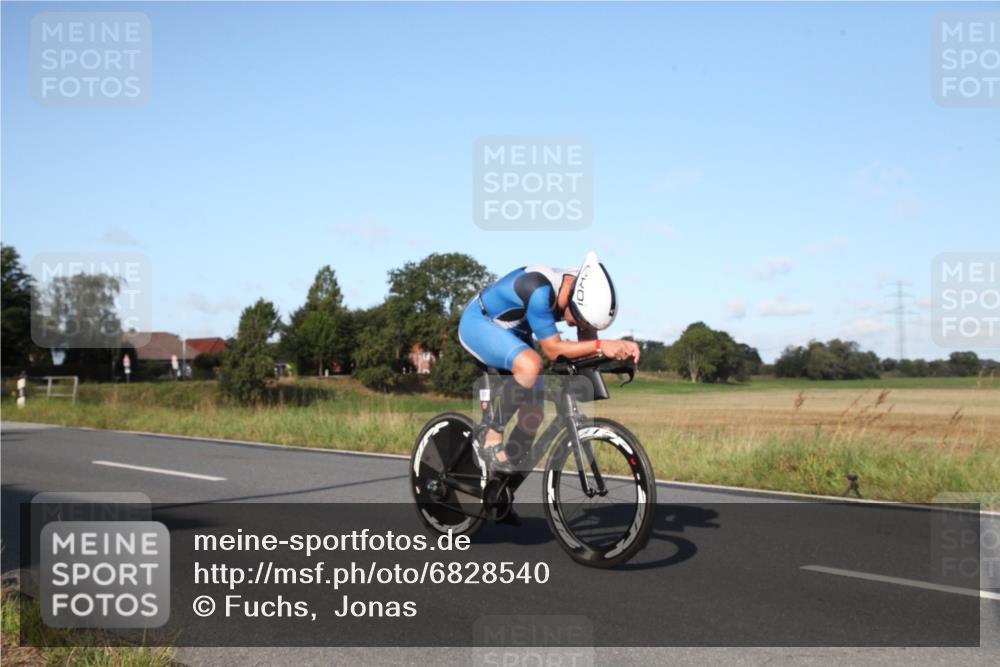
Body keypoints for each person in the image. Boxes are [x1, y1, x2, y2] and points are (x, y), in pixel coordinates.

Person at [458, 252, 640, 477]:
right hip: (480, 323)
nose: (581, 326)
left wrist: (617, 357)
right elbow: (553, 350)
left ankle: (500, 491)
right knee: (531, 366)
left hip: (517, 332)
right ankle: (492, 437)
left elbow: (588, 346)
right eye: (580, 321)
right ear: (573, 298)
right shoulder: (538, 288)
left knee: (533, 415)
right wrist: (603, 344)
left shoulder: (582, 294)